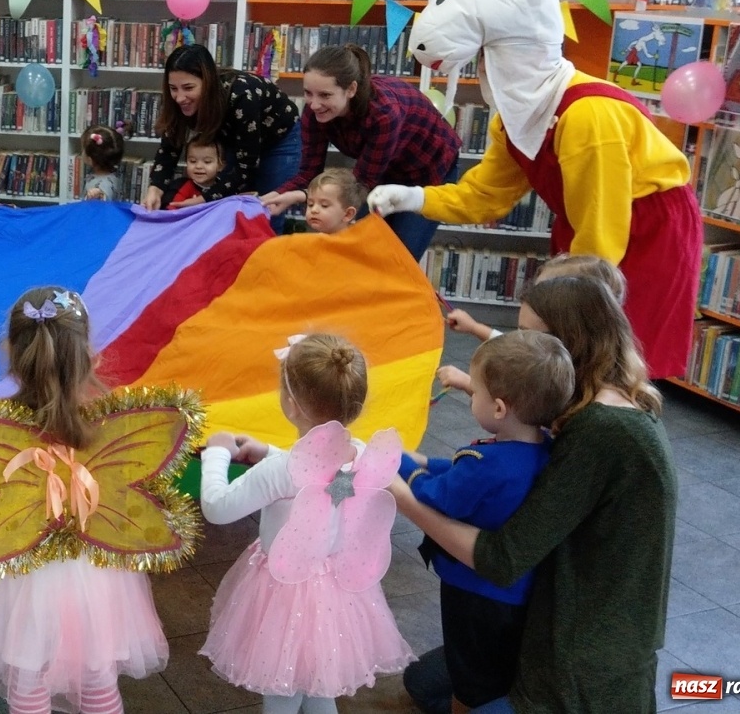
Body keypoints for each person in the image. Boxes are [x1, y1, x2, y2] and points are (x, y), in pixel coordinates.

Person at [372, 0, 702, 380]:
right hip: (589, 226)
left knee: (609, 359)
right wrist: (412, 198)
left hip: (645, 228)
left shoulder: (587, 116)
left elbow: (603, 238)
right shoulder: (514, 120)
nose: (485, 71)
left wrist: (571, 305)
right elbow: (485, 197)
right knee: (572, 358)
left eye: (489, 57)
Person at [388, 276, 677, 713]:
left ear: (566, 342)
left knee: (445, 687)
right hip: (562, 606)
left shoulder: (601, 430)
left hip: (579, 652)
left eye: (528, 334)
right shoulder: (608, 400)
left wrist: (403, 497)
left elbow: (501, 558)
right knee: (426, 683)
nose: (516, 343)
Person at [0, 287, 200, 714]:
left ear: (10, 352)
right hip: (94, 577)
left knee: (28, 682)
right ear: (89, 354)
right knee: (98, 680)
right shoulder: (113, 426)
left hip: (20, 575)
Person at [199, 333, 414, 714]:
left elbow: (218, 508)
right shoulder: (359, 453)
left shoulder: (279, 472)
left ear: (291, 405)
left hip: (283, 590)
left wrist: (215, 453)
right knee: (319, 682)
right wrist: (268, 451)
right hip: (336, 586)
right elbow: (315, 472)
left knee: (282, 689)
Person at [397, 331, 573, 714]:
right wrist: (429, 460)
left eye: (473, 392)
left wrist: (405, 467)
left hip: (474, 594)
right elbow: (465, 470)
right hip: (514, 594)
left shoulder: (488, 467)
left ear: (498, 409)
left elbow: (441, 495)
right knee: (493, 665)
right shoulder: (542, 449)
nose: (470, 396)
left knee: (469, 674)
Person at [258, 44, 460, 258]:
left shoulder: (383, 114)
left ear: (351, 90)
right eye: (308, 93)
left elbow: (362, 183)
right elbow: (309, 173)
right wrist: (280, 195)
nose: (314, 104)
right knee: (356, 250)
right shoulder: (314, 111)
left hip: (429, 171)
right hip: (384, 170)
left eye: (325, 95)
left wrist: (305, 197)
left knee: (399, 258)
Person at [143, 44, 301, 218]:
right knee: (226, 212)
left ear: (208, 82)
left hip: (280, 139)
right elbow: (169, 147)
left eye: (188, 88)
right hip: (236, 138)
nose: (180, 97)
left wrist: (204, 200)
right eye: (173, 88)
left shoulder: (242, 94)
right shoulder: (176, 99)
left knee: (267, 212)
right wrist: (155, 187)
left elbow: (246, 168)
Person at [437, 253, 627, 396]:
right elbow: (516, 343)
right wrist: (473, 326)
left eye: (544, 292)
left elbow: (512, 410)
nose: (534, 297)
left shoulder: (556, 380)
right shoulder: (591, 355)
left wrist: (468, 383)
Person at [166, 134, 223, 208]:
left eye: (207, 162)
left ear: (220, 166)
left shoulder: (224, 188)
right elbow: (171, 210)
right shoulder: (182, 186)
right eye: (193, 161)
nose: (198, 166)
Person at [301, 168, 364, 235]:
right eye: (310, 204)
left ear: (348, 214)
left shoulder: (355, 244)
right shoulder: (311, 242)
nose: (314, 210)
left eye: (324, 205)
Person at [80, 124, 125, 201]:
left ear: (90, 159)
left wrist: (99, 195)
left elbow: (104, 204)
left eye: (82, 149)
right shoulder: (117, 174)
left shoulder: (104, 185)